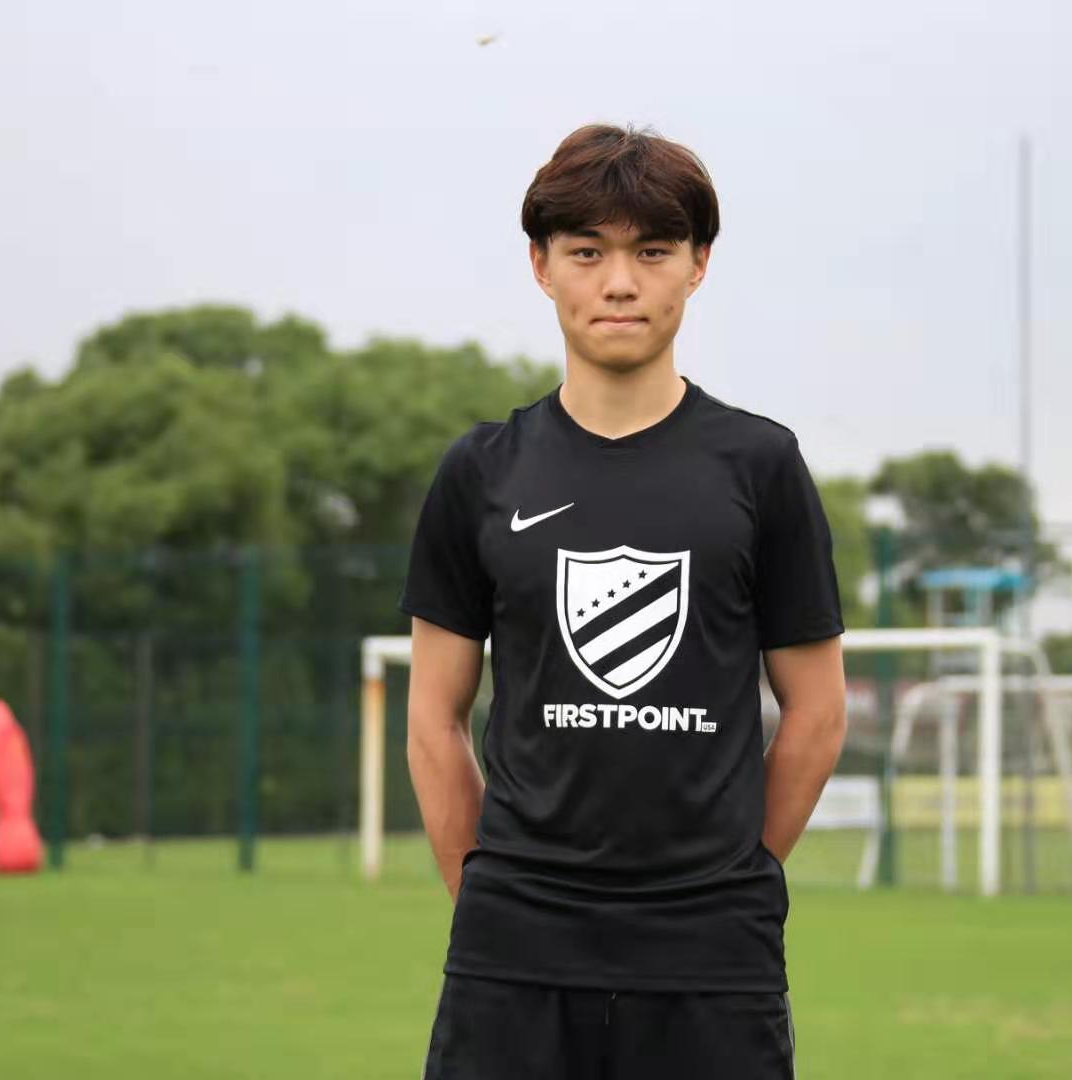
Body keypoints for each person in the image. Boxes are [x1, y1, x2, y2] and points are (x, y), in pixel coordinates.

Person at [402, 122, 848, 1080]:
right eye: (586, 252)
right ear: (540, 266)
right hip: (512, 954)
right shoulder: (481, 473)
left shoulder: (761, 466)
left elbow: (817, 711)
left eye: (651, 251)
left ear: (698, 264)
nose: (618, 282)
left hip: (712, 958)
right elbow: (433, 718)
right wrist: (488, 899)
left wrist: (736, 878)